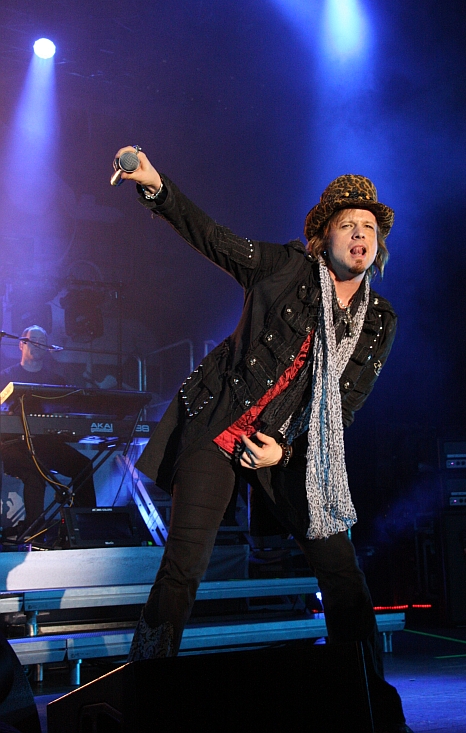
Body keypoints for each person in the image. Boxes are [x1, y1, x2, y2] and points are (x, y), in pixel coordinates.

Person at [115, 147, 412, 733]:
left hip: (293, 448)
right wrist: (156, 186)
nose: (360, 234)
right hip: (220, 425)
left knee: (343, 575)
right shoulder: (284, 268)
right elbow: (214, 238)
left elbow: (344, 406)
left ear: (378, 245)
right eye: (348, 225)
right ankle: (143, 693)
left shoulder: (380, 320)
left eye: (369, 228)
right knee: (183, 567)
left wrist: (286, 450)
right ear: (323, 238)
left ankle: (367, 700)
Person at [0, 325, 97, 540]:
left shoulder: (56, 380)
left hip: (46, 444)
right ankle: (34, 534)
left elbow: (66, 413)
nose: (38, 344)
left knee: (83, 465)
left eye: (42, 341)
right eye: (33, 339)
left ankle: (86, 530)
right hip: (13, 445)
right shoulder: (5, 377)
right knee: (34, 474)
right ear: (21, 344)